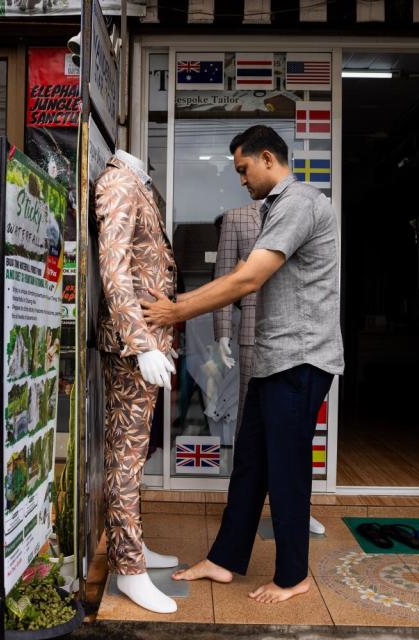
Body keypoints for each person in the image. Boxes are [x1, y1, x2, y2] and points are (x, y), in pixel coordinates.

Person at [141, 125, 344, 604]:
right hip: (276, 360)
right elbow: (239, 273)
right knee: (251, 463)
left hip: (300, 360)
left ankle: (293, 575)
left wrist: (176, 309)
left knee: (286, 469)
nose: (241, 180)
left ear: (268, 158)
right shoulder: (275, 207)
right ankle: (225, 559)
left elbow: (249, 278)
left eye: (243, 169)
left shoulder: (299, 203)